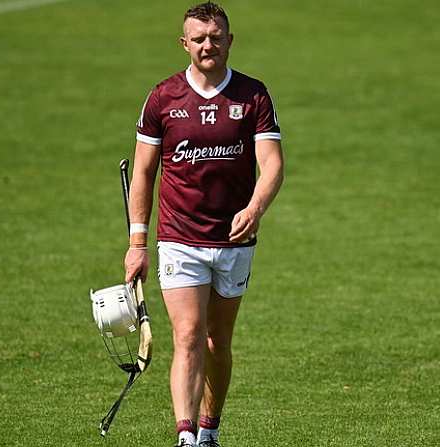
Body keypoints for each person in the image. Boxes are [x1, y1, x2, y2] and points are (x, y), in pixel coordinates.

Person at [123, 3, 284, 446]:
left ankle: (210, 429)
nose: (207, 45)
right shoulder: (163, 98)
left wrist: (254, 209)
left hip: (235, 241)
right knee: (188, 336)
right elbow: (142, 171)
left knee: (217, 342)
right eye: (198, 38)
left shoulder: (253, 96)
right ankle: (186, 435)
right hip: (179, 239)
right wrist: (138, 243)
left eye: (215, 37)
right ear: (184, 44)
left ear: (230, 40)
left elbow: (272, 166)